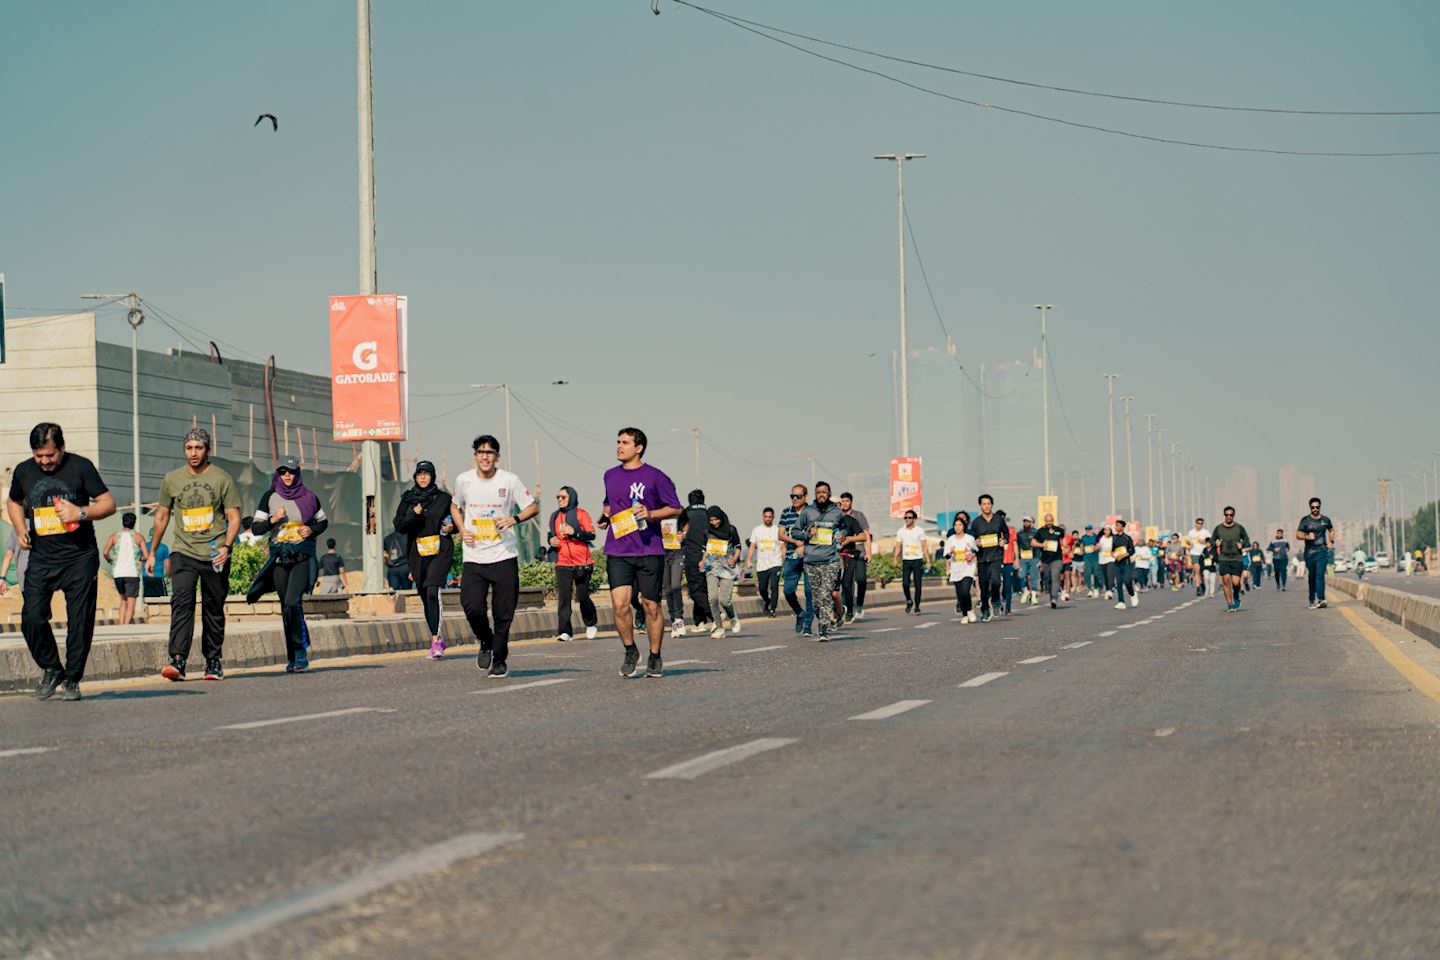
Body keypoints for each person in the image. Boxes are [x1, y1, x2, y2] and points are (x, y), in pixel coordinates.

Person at [6, 423, 116, 701]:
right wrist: (20, 528)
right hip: (41, 558)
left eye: (49, 455)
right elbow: (14, 502)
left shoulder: (81, 467)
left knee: (79, 622)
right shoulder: (23, 470)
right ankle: (52, 667)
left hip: (79, 558)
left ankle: (72, 679)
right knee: (31, 617)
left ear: (61, 448)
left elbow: (107, 503)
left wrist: (80, 512)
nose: (44, 461)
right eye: (38, 455)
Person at [151, 428, 242, 680]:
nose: (193, 453)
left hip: (215, 553)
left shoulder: (222, 479)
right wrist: (152, 551)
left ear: (207, 450)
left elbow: (234, 517)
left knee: (213, 608)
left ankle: (213, 661)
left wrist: (227, 546)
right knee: (182, 604)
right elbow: (162, 515)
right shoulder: (172, 479)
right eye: (189, 448)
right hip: (183, 551)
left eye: (198, 448)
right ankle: (178, 660)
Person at [595, 427, 682, 678]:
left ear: (639, 447)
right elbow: (609, 504)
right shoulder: (610, 475)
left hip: (649, 549)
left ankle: (655, 656)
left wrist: (651, 514)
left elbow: (675, 508)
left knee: (651, 606)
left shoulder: (655, 476)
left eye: (625, 442)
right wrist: (604, 517)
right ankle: (630, 650)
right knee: (620, 606)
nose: (619, 446)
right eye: (618, 441)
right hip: (618, 549)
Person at [450, 435, 538, 680]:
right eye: (480, 452)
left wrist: (514, 519)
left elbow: (532, 506)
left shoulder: (510, 480)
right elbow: (455, 506)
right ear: (475, 456)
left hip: (504, 555)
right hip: (474, 557)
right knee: (472, 607)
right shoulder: (463, 480)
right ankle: (486, 641)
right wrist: (462, 530)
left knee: (503, 614)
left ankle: (499, 660)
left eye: (490, 452)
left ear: (497, 457)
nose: (485, 456)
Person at [247, 455, 328, 672]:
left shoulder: (310, 497)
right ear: (278, 474)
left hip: (301, 557)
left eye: (291, 472)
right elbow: (256, 529)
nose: (287, 476)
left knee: (293, 602)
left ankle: (301, 653)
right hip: (279, 559)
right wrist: (273, 520)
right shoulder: (269, 497)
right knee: (285, 607)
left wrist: (311, 530)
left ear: (297, 474)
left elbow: (323, 522)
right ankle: (292, 657)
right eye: (283, 472)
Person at [394, 461, 456, 658]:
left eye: (426, 474)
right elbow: (400, 525)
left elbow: (455, 518)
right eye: (419, 473)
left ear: (432, 476)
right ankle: (436, 636)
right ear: (415, 477)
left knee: (432, 590)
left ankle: (436, 640)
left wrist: (451, 527)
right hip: (417, 552)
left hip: (440, 550)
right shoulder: (408, 499)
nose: (422, 477)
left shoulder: (444, 498)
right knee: (424, 594)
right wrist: (414, 513)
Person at [547, 484, 598, 643]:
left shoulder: (581, 514)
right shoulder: (554, 516)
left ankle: (590, 623)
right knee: (564, 598)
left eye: (563, 497)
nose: (559, 500)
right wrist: (552, 540)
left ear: (571, 498)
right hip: (562, 563)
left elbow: (591, 535)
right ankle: (565, 631)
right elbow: (551, 535)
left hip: (582, 562)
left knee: (582, 596)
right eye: (558, 497)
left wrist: (574, 532)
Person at [795, 481, 845, 639]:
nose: (821, 494)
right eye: (818, 492)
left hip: (830, 560)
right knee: (816, 599)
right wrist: (807, 534)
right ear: (815, 495)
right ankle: (823, 617)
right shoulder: (807, 512)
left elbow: (844, 528)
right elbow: (795, 532)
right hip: (811, 561)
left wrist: (842, 534)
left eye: (824, 492)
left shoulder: (837, 512)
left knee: (825, 594)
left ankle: (823, 628)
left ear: (829, 494)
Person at [778, 484, 815, 635]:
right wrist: (795, 542)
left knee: (809, 592)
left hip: (809, 556)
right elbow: (780, 534)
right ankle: (799, 612)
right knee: (787, 591)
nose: (794, 499)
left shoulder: (813, 512)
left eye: (798, 496)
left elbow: (816, 533)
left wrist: (805, 545)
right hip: (791, 557)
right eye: (792, 496)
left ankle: (807, 626)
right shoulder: (786, 512)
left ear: (805, 496)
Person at [702, 505, 743, 637]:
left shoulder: (731, 530)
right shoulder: (707, 531)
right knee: (712, 598)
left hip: (727, 568)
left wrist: (734, 559)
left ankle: (733, 617)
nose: (714, 523)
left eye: (716, 519)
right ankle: (719, 628)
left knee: (724, 601)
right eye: (711, 520)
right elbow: (705, 549)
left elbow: (738, 547)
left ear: (721, 518)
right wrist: (702, 560)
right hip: (712, 567)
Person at [103, 511, 150, 625]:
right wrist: (139, 560)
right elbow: (146, 555)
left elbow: (105, 552)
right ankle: (126, 625)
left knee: (123, 601)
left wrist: (110, 560)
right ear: (134, 523)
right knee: (131, 602)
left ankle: (121, 624)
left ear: (123, 522)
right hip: (132, 573)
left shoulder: (114, 536)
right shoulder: (138, 537)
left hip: (118, 573)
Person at [677, 489, 712, 633]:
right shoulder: (709, 514)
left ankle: (713, 615)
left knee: (695, 591)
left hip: (692, 556)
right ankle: (699, 622)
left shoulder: (685, 514)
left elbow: (679, 536)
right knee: (702, 589)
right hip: (709, 556)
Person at [970, 495, 1008, 622]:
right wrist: (976, 542)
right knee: (984, 586)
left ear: (992, 505)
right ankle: (985, 610)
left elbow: (1006, 533)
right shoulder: (976, 522)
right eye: (984, 504)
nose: (986, 506)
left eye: (988, 503)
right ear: (980, 506)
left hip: (996, 556)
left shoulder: (999, 520)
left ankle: (996, 600)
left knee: (996, 581)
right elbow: (971, 539)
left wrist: (1004, 540)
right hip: (982, 558)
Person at [837, 492, 871, 622]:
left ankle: (859, 606)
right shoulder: (837, 518)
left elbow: (866, 535)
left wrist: (869, 553)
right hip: (845, 554)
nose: (844, 503)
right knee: (847, 581)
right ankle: (847, 608)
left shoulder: (858, 516)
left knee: (861, 580)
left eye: (847, 501)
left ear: (851, 502)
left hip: (860, 552)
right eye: (842, 501)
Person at [744, 507, 783, 618]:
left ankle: (772, 609)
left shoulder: (777, 529)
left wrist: (782, 559)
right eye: (766, 517)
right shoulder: (757, 530)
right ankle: (767, 600)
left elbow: (782, 546)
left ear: (773, 517)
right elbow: (752, 546)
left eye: (770, 517)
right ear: (763, 517)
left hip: (776, 562)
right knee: (762, 588)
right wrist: (748, 560)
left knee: (774, 586)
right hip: (762, 564)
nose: (768, 519)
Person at [1296, 497, 1334, 609]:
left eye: (1317, 507)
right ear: (1310, 508)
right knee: (1312, 576)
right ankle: (1312, 599)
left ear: (1320, 507)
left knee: (1320, 575)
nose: (1315, 509)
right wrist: (1307, 536)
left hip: (1322, 551)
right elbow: (1298, 534)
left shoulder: (1325, 520)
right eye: (1313, 507)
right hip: (1309, 553)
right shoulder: (1305, 520)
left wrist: (1331, 541)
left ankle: (1321, 599)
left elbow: (1331, 530)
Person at [1211, 507, 1250, 612]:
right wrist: (1216, 543)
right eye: (1227, 515)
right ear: (1224, 515)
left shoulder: (1239, 528)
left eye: (1231, 515)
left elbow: (1246, 538)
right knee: (1226, 580)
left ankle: (1236, 595)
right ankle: (1230, 603)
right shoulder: (1218, 528)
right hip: (1224, 558)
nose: (1228, 517)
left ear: (1233, 515)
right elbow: (1212, 541)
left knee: (1236, 582)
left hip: (1237, 558)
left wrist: (1242, 544)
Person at [944, 514, 977, 622]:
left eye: (960, 525)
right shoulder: (950, 540)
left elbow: (976, 551)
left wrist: (972, 556)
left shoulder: (970, 539)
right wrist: (950, 552)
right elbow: (947, 556)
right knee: (960, 594)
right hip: (956, 570)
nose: (957, 527)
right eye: (955, 525)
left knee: (965, 591)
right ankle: (965, 615)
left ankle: (970, 610)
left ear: (964, 526)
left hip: (968, 568)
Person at [893, 509, 927, 614]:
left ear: (914, 519)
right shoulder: (900, 531)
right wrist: (895, 559)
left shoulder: (920, 530)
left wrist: (928, 560)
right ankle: (909, 600)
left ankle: (917, 606)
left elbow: (924, 546)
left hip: (917, 560)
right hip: (906, 560)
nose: (907, 519)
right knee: (905, 583)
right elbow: (898, 546)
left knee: (918, 584)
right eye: (906, 517)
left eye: (910, 517)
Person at [660, 517, 688, 636]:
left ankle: (679, 618)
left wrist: (684, 534)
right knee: (667, 589)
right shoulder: (655, 511)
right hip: (662, 554)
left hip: (678, 554)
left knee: (676, 585)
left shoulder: (678, 511)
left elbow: (687, 522)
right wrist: (660, 531)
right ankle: (674, 622)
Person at [1034, 513, 1065, 609]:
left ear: (1053, 520)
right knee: (1047, 579)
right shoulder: (1040, 531)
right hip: (1045, 560)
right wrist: (1042, 545)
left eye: (1050, 521)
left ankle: (1054, 598)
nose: (1049, 522)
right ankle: (1052, 596)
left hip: (1057, 559)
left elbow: (1063, 540)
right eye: (1047, 521)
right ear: (1045, 521)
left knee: (1055, 577)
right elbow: (1033, 542)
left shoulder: (1059, 530)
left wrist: (1066, 548)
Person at [1110, 519, 1138, 609]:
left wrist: (1123, 556)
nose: (1115, 527)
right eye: (1115, 525)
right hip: (1117, 563)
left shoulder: (1127, 538)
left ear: (1122, 527)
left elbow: (1132, 550)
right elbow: (1112, 550)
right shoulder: (1114, 538)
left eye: (1117, 525)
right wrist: (1113, 555)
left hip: (1125, 563)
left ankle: (1132, 594)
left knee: (1127, 580)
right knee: (1118, 583)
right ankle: (1121, 602)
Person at [0, 526, 30, 597]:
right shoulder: (40, 523)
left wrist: (2, 578)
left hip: (24, 577)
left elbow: (8, 554)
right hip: (41, 573)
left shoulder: (16, 529)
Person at [1015, 516, 1038, 606]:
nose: (1026, 523)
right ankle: (1026, 590)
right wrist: (1016, 558)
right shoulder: (1019, 533)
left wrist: (1040, 559)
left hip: (1034, 558)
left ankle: (1034, 596)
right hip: (1023, 558)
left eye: (1028, 521)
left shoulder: (1036, 533)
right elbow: (1016, 545)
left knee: (1033, 577)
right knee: (1021, 575)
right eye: (1025, 521)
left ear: (1031, 523)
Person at [143, 526, 171, 598]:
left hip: (145, 577)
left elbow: (139, 561)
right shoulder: (164, 547)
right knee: (160, 600)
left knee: (145, 600)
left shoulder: (144, 546)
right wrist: (169, 576)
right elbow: (167, 565)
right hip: (158, 577)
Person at [1188, 518, 1211, 596]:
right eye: (1198, 523)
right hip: (1194, 553)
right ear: (1195, 523)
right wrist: (1189, 543)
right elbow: (1188, 541)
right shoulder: (1191, 532)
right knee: (1197, 570)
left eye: (1201, 523)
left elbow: (1210, 541)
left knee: (1203, 572)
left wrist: (1204, 541)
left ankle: (1203, 584)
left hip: (1203, 554)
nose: (1199, 525)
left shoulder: (1205, 532)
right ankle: (1198, 588)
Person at [1080, 525, 1101, 597]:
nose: (1088, 531)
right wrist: (1081, 550)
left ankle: (1096, 588)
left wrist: (1095, 548)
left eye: (1089, 529)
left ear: (1092, 529)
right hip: (1086, 558)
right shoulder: (1083, 537)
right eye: (1086, 529)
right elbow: (1081, 546)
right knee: (1087, 574)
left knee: (1096, 574)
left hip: (1095, 558)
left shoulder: (1096, 537)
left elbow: (1098, 547)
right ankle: (1090, 589)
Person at [1097, 524, 1116, 600]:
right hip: (1102, 560)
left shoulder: (1113, 538)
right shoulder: (1100, 538)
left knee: (1110, 574)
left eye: (1109, 530)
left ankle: (1110, 590)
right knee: (1105, 576)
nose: (1107, 531)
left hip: (1111, 559)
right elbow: (1097, 547)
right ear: (1103, 531)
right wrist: (1097, 547)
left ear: (1110, 531)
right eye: (1106, 530)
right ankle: (1108, 589)